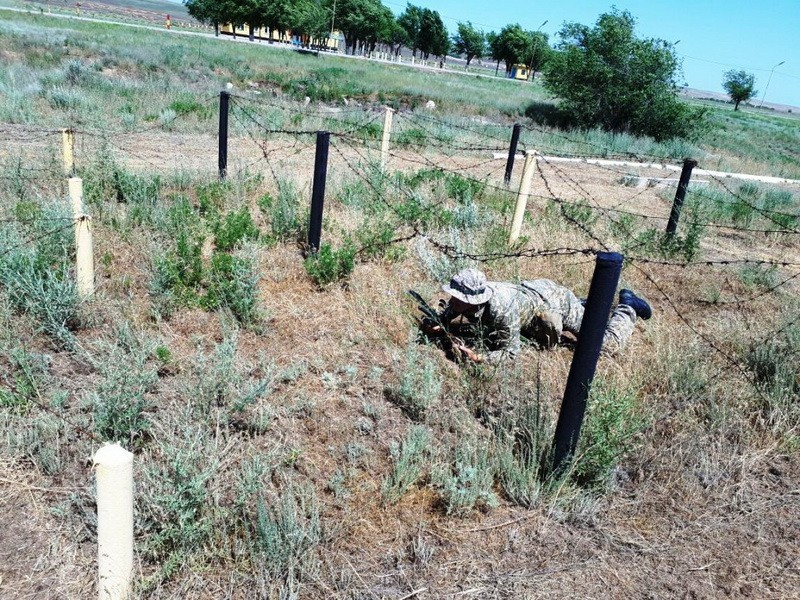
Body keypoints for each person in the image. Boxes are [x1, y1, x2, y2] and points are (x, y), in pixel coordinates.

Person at [431, 268, 652, 363]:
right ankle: (584, 305)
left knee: (605, 344)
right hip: (537, 293)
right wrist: (440, 321)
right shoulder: (467, 298)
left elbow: (510, 352)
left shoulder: (502, 309)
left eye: (458, 298)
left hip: (555, 303)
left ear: (475, 300)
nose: (453, 300)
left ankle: (628, 305)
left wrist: (480, 357)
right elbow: (453, 308)